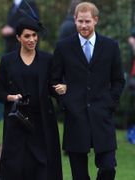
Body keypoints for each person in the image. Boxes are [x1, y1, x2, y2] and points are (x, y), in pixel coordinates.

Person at [51, 2, 125, 180]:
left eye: (87, 21)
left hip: (102, 115)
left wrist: (110, 103)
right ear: (75, 20)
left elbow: (118, 80)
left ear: (96, 21)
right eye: (80, 21)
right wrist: (65, 102)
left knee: (108, 168)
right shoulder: (63, 47)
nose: (84, 26)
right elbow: (54, 80)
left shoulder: (110, 46)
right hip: (75, 117)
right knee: (79, 175)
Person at [0, 16, 63, 180]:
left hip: (42, 122)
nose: (32, 39)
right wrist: (10, 97)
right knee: (15, 166)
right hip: (17, 121)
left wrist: (61, 87)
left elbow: (53, 87)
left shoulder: (47, 59)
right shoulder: (7, 60)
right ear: (18, 38)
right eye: (27, 36)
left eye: (34, 35)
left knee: (43, 166)